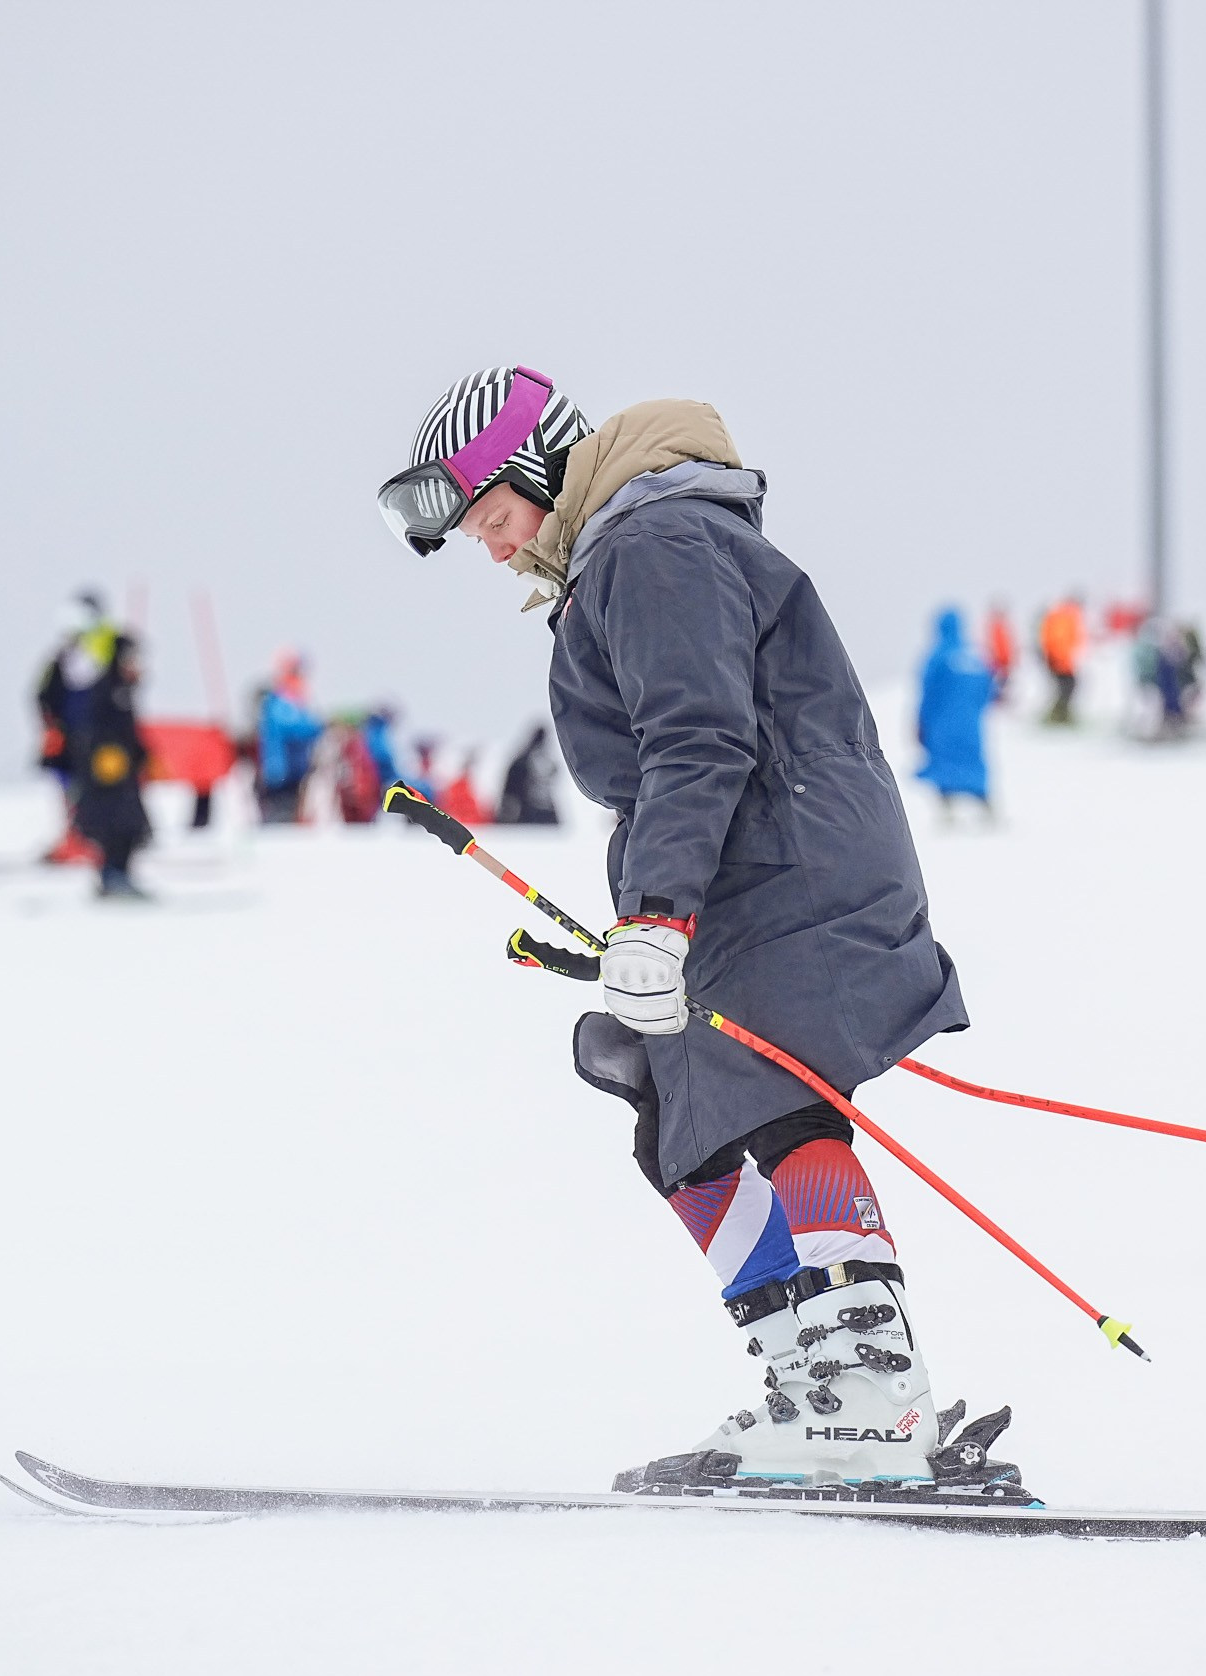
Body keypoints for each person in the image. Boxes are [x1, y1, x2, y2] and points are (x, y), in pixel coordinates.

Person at [377, 366, 978, 1494]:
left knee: (774, 1095)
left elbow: (697, 740)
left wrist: (657, 920)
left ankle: (871, 1393)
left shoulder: (653, 546)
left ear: (537, 471)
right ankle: (816, 1380)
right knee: (669, 1107)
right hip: (749, 865)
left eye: (496, 521)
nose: (496, 551)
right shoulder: (624, 553)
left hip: (788, 864)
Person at [35, 591, 120, 864]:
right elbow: (44, 694)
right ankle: (75, 840)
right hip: (68, 740)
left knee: (99, 793)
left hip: (101, 739)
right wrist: (51, 727)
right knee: (72, 793)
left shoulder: (110, 647)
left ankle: (96, 841)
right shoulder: (63, 657)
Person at [73, 633, 151, 898]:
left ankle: (120, 874)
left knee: (132, 829)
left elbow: (129, 733)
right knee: (114, 827)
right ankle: (112, 876)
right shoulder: (107, 688)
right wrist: (103, 756)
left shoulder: (124, 690)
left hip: (123, 774)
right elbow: (95, 731)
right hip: (106, 776)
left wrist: (143, 755)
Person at [914, 606, 995, 821]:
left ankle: (946, 807)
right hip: (970, 723)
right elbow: (987, 689)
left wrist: (921, 722)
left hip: (942, 723)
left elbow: (927, 691)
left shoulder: (938, 656)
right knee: (973, 759)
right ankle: (986, 804)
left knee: (944, 761)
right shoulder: (974, 655)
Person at [252, 654, 322, 824]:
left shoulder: (292, 700)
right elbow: (293, 728)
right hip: (282, 769)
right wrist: (317, 726)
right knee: (281, 813)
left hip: (293, 768)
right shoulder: (281, 701)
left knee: (290, 810)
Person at [496, 724, 562, 826]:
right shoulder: (541, 761)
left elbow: (509, 790)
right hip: (532, 813)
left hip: (528, 813)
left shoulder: (523, 759)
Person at [1037, 593, 1085, 725]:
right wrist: (1059, 660)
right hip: (1059, 660)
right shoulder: (1063, 616)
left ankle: (1060, 713)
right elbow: (1058, 640)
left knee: (1066, 687)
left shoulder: (1067, 616)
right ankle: (1057, 715)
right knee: (1067, 687)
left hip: (1062, 660)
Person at [982, 599, 1016, 703]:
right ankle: (994, 702)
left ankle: (1000, 702)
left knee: (1003, 685)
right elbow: (990, 646)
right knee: (997, 685)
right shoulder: (992, 627)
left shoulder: (1003, 627)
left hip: (1004, 662)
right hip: (996, 663)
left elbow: (1008, 647)